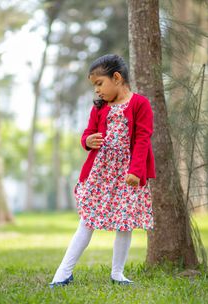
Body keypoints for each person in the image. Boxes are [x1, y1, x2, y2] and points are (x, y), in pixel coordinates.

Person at [49, 54, 156, 287]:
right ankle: (62, 273)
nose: (97, 90)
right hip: (101, 172)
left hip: (128, 174)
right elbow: (87, 133)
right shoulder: (99, 107)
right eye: (94, 85)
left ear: (116, 78)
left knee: (124, 222)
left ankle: (117, 273)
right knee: (87, 221)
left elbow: (143, 139)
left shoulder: (140, 104)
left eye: (100, 83)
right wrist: (88, 141)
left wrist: (136, 171)